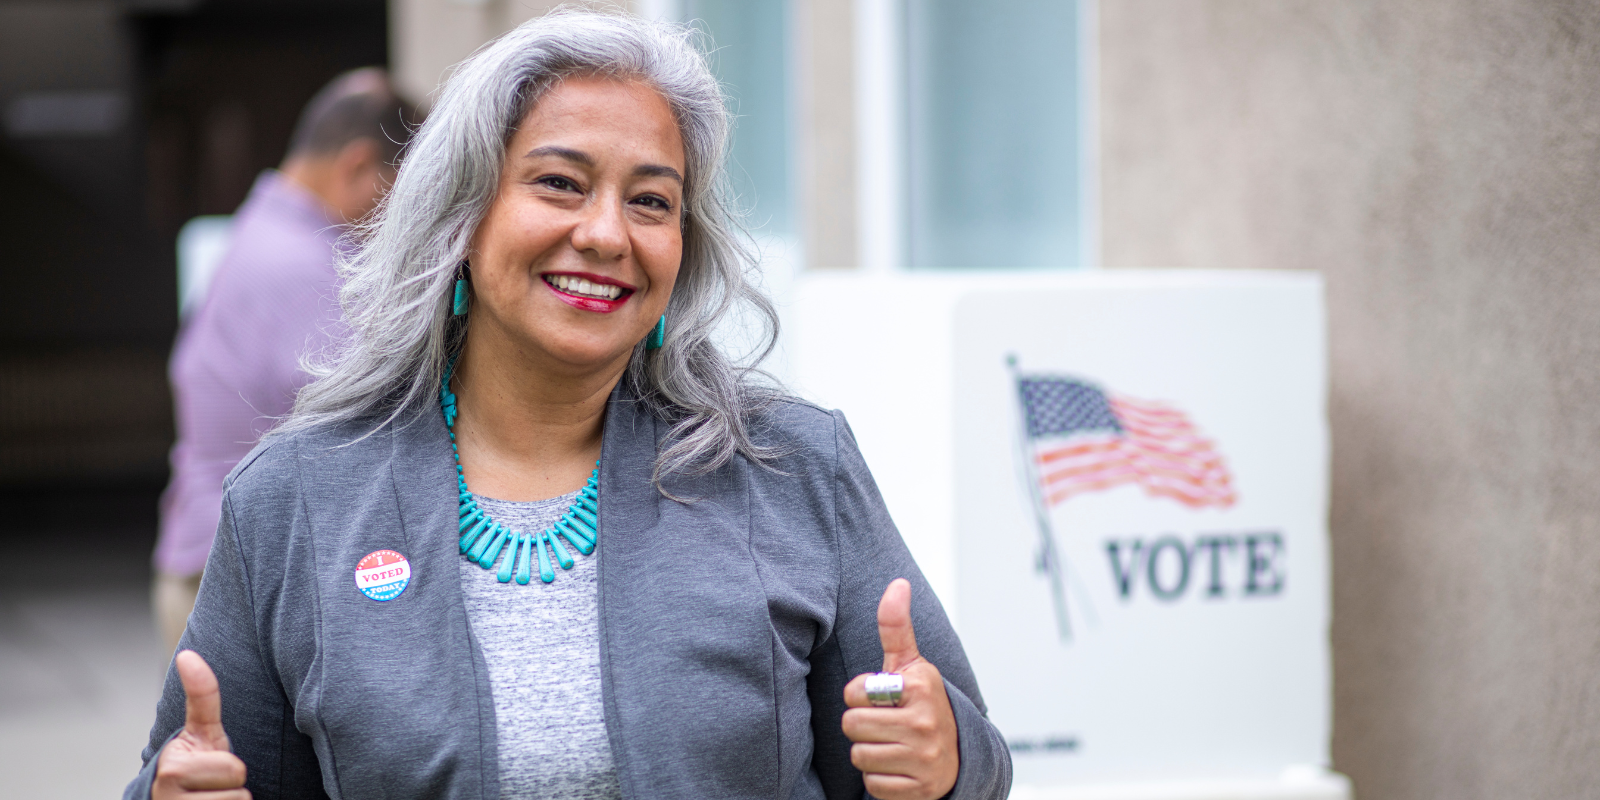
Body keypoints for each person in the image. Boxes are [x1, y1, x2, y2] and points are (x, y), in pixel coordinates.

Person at [127, 10, 1011, 800]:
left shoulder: (791, 467)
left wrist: (945, 762)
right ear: (461, 219)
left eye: (651, 201)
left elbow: (967, 759)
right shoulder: (295, 499)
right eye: (559, 182)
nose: (605, 233)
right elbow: (187, 772)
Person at [153, 68, 414, 651]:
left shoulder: (260, 232)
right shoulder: (308, 265)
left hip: (211, 559)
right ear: (357, 165)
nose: (397, 218)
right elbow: (376, 421)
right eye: (399, 191)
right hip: (242, 577)